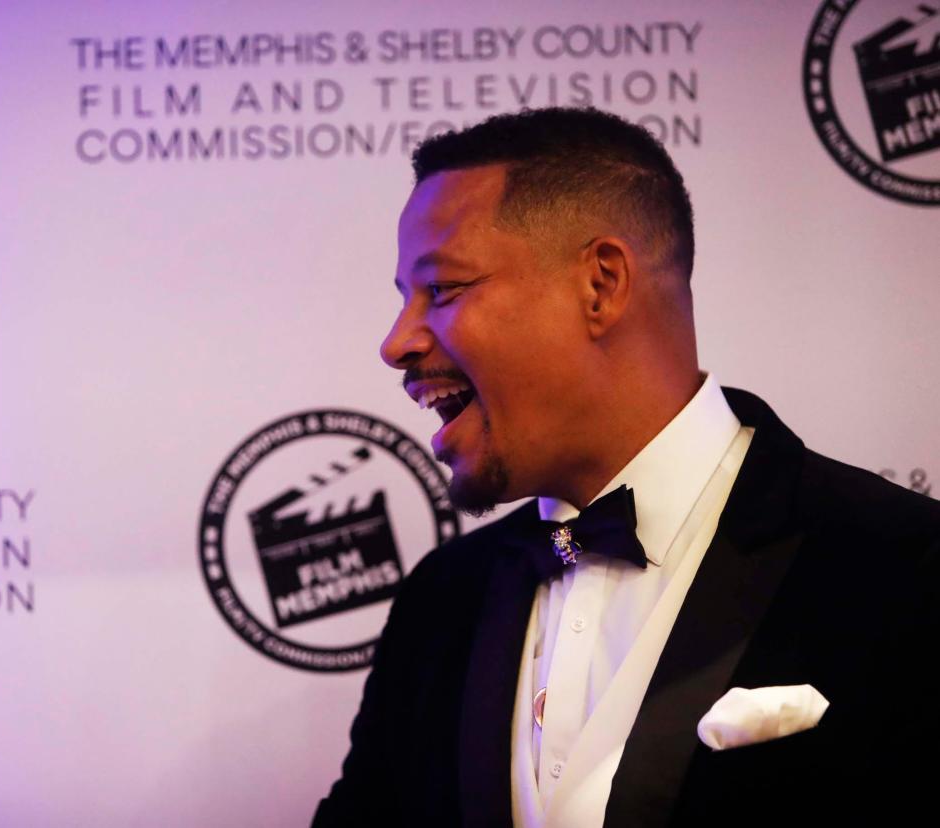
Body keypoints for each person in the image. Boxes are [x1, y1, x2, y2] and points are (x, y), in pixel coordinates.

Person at [312, 107, 940, 827]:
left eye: (444, 290)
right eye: (404, 299)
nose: (397, 342)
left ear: (602, 284)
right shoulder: (441, 602)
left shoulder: (904, 567)